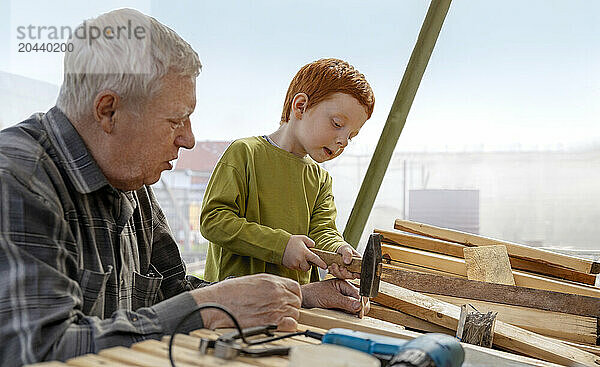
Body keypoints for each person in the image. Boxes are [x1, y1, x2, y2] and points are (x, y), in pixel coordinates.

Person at [0, 9, 367, 366]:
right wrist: (208, 311)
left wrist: (296, 296)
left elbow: (172, 291)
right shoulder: (18, 180)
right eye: (176, 119)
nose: (189, 140)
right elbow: (40, 352)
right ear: (108, 111)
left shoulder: (130, 182)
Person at [201, 58, 375, 284]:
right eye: (337, 124)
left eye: (351, 136)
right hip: (236, 305)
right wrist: (280, 246)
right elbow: (213, 220)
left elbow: (323, 231)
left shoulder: (320, 180)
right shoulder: (245, 153)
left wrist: (338, 251)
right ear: (300, 106)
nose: (342, 140)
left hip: (296, 304)